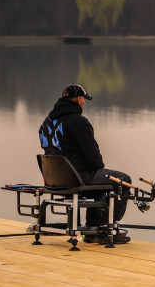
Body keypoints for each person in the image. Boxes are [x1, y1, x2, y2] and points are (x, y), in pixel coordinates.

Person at [38, 84, 130, 244]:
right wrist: (98, 167)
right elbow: (95, 159)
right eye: (84, 100)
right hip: (77, 178)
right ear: (79, 99)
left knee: (101, 185)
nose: (85, 104)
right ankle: (109, 230)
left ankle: (92, 231)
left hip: (54, 180)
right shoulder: (79, 122)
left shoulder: (46, 123)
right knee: (124, 181)